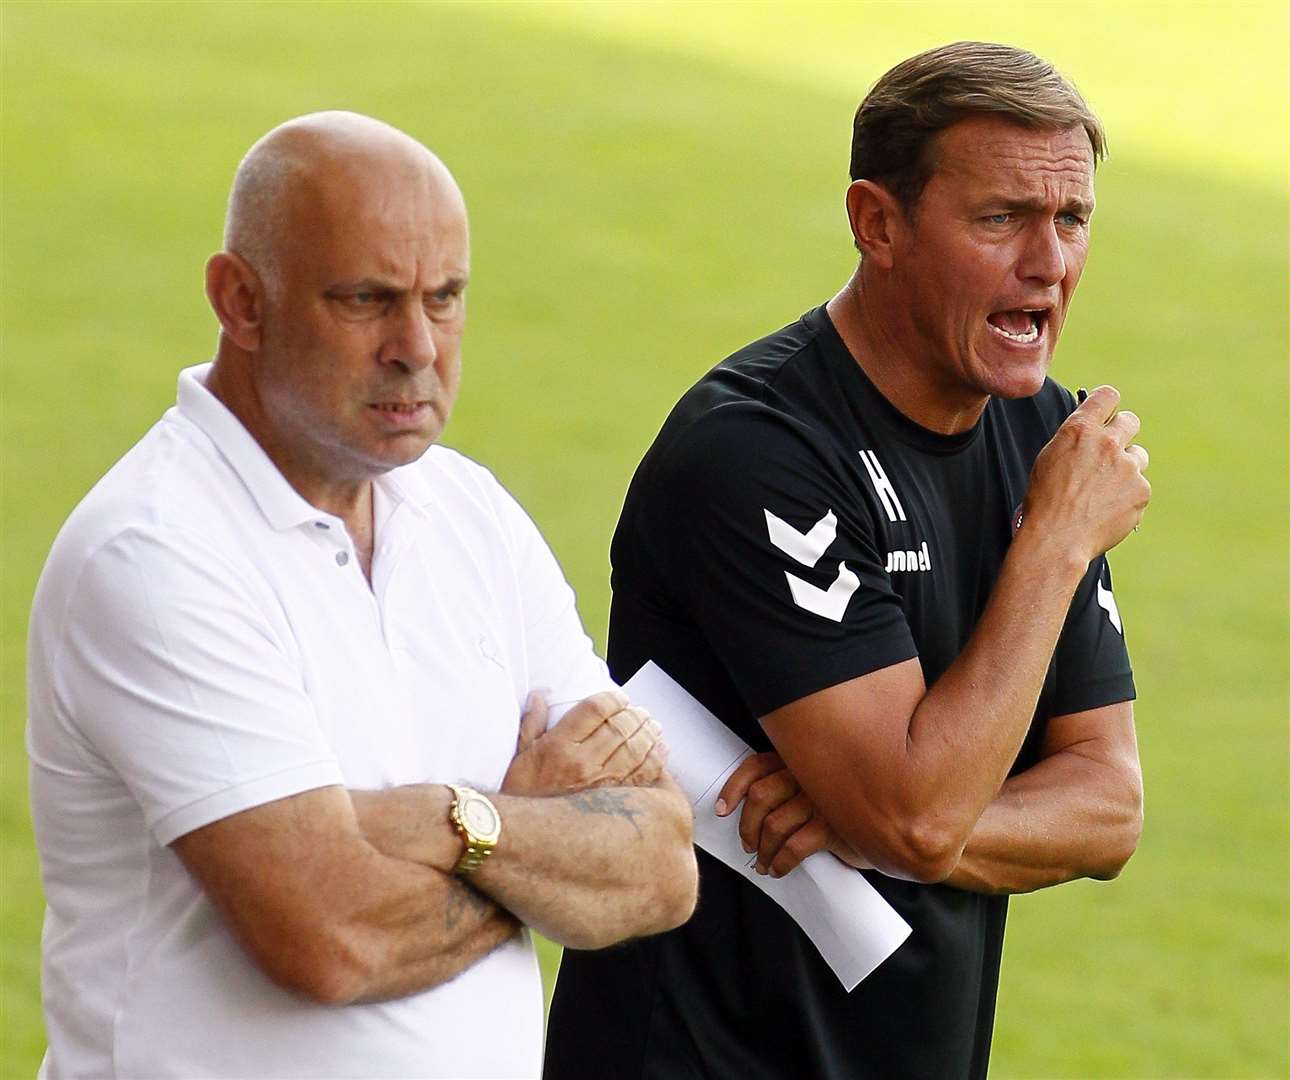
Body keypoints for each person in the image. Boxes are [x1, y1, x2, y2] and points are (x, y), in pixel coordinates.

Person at [26, 111, 697, 1079]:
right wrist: (530, 835)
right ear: (241, 301)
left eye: (447, 297)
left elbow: (661, 866)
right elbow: (332, 941)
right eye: (366, 299)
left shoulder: (471, 513)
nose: (416, 346)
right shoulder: (156, 552)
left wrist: (446, 821)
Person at [544, 41, 1149, 1080]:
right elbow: (914, 813)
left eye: (1072, 219)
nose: (1048, 262)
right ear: (878, 224)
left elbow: (1106, 807)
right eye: (1002, 217)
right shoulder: (759, 453)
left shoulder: (1043, 440)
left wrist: (866, 822)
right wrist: (1052, 543)